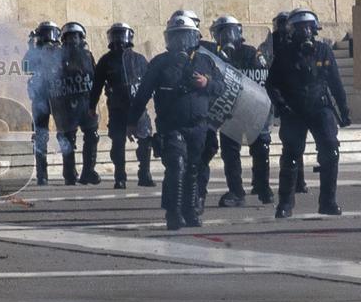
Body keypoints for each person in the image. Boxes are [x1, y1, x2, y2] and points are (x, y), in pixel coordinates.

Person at [128, 16, 223, 230]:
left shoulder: (205, 61)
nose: (181, 43)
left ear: (194, 38)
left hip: (199, 124)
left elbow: (221, 87)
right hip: (171, 124)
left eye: (185, 37)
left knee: (193, 168)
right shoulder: (160, 63)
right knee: (176, 166)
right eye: (176, 38)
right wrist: (132, 121)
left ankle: (191, 212)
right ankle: (173, 213)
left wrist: (206, 83)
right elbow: (143, 93)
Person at [266, 9, 351, 218]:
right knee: (291, 156)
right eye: (300, 28)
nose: (305, 32)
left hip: (320, 107)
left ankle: (328, 202)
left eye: (308, 27)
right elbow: (272, 84)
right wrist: (281, 105)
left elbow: (335, 83)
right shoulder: (284, 54)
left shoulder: (323, 51)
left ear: (315, 29)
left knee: (331, 152)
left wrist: (344, 111)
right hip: (294, 110)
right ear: (292, 31)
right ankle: (285, 203)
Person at [208, 15, 273, 207]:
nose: (227, 36)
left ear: (239, 32)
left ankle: (263, 187)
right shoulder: (215, 57)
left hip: (252, 109)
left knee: (261, 148)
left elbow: (261, 79)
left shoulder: (251, 53)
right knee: (230, 153)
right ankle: (236, 192)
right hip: (230, 111)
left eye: (230, 31)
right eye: (222, 32)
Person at [91, 22, 155, 189]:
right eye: (116, 35)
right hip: (117, 108)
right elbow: (97, 85)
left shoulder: (139, 59)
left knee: (145, 140)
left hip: (138, 108)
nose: (119, 40)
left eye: (122, 35)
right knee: (118, 143)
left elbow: (150, 83)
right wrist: (91, 106)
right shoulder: (105, 61)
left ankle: (144, 173)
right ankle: (120, 177)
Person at [264, 11, 309, 195]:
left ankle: (300, 181)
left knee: (296, 146)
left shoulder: (298, 44)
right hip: (284, 97)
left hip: (300, 99)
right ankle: (288, 187)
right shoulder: (271, 43)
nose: (282, 27)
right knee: (290, 145)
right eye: (280, 23)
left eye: (285, 23)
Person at [51, 22, 100, 185]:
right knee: (68, 139)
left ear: (81, 38)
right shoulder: (56, 58)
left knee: (92, 136)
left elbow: (94, 76)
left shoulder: (87, 56)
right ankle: (69, 173)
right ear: (64, 39)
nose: (73, 40)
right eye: (70, 37)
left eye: (76, 37)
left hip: (85, 102)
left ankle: (88, 171)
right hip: (66, 104)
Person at [22, 21, 61, 185]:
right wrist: (31, 49)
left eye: (48, 33)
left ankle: (69, 172)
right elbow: (25, 68)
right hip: (40, 98)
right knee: (40, 136)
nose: (47, 38)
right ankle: (42, 175)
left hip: (58, 95)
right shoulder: (35, 53)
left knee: (66, 134)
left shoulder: (59, 52)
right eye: (44, 34)